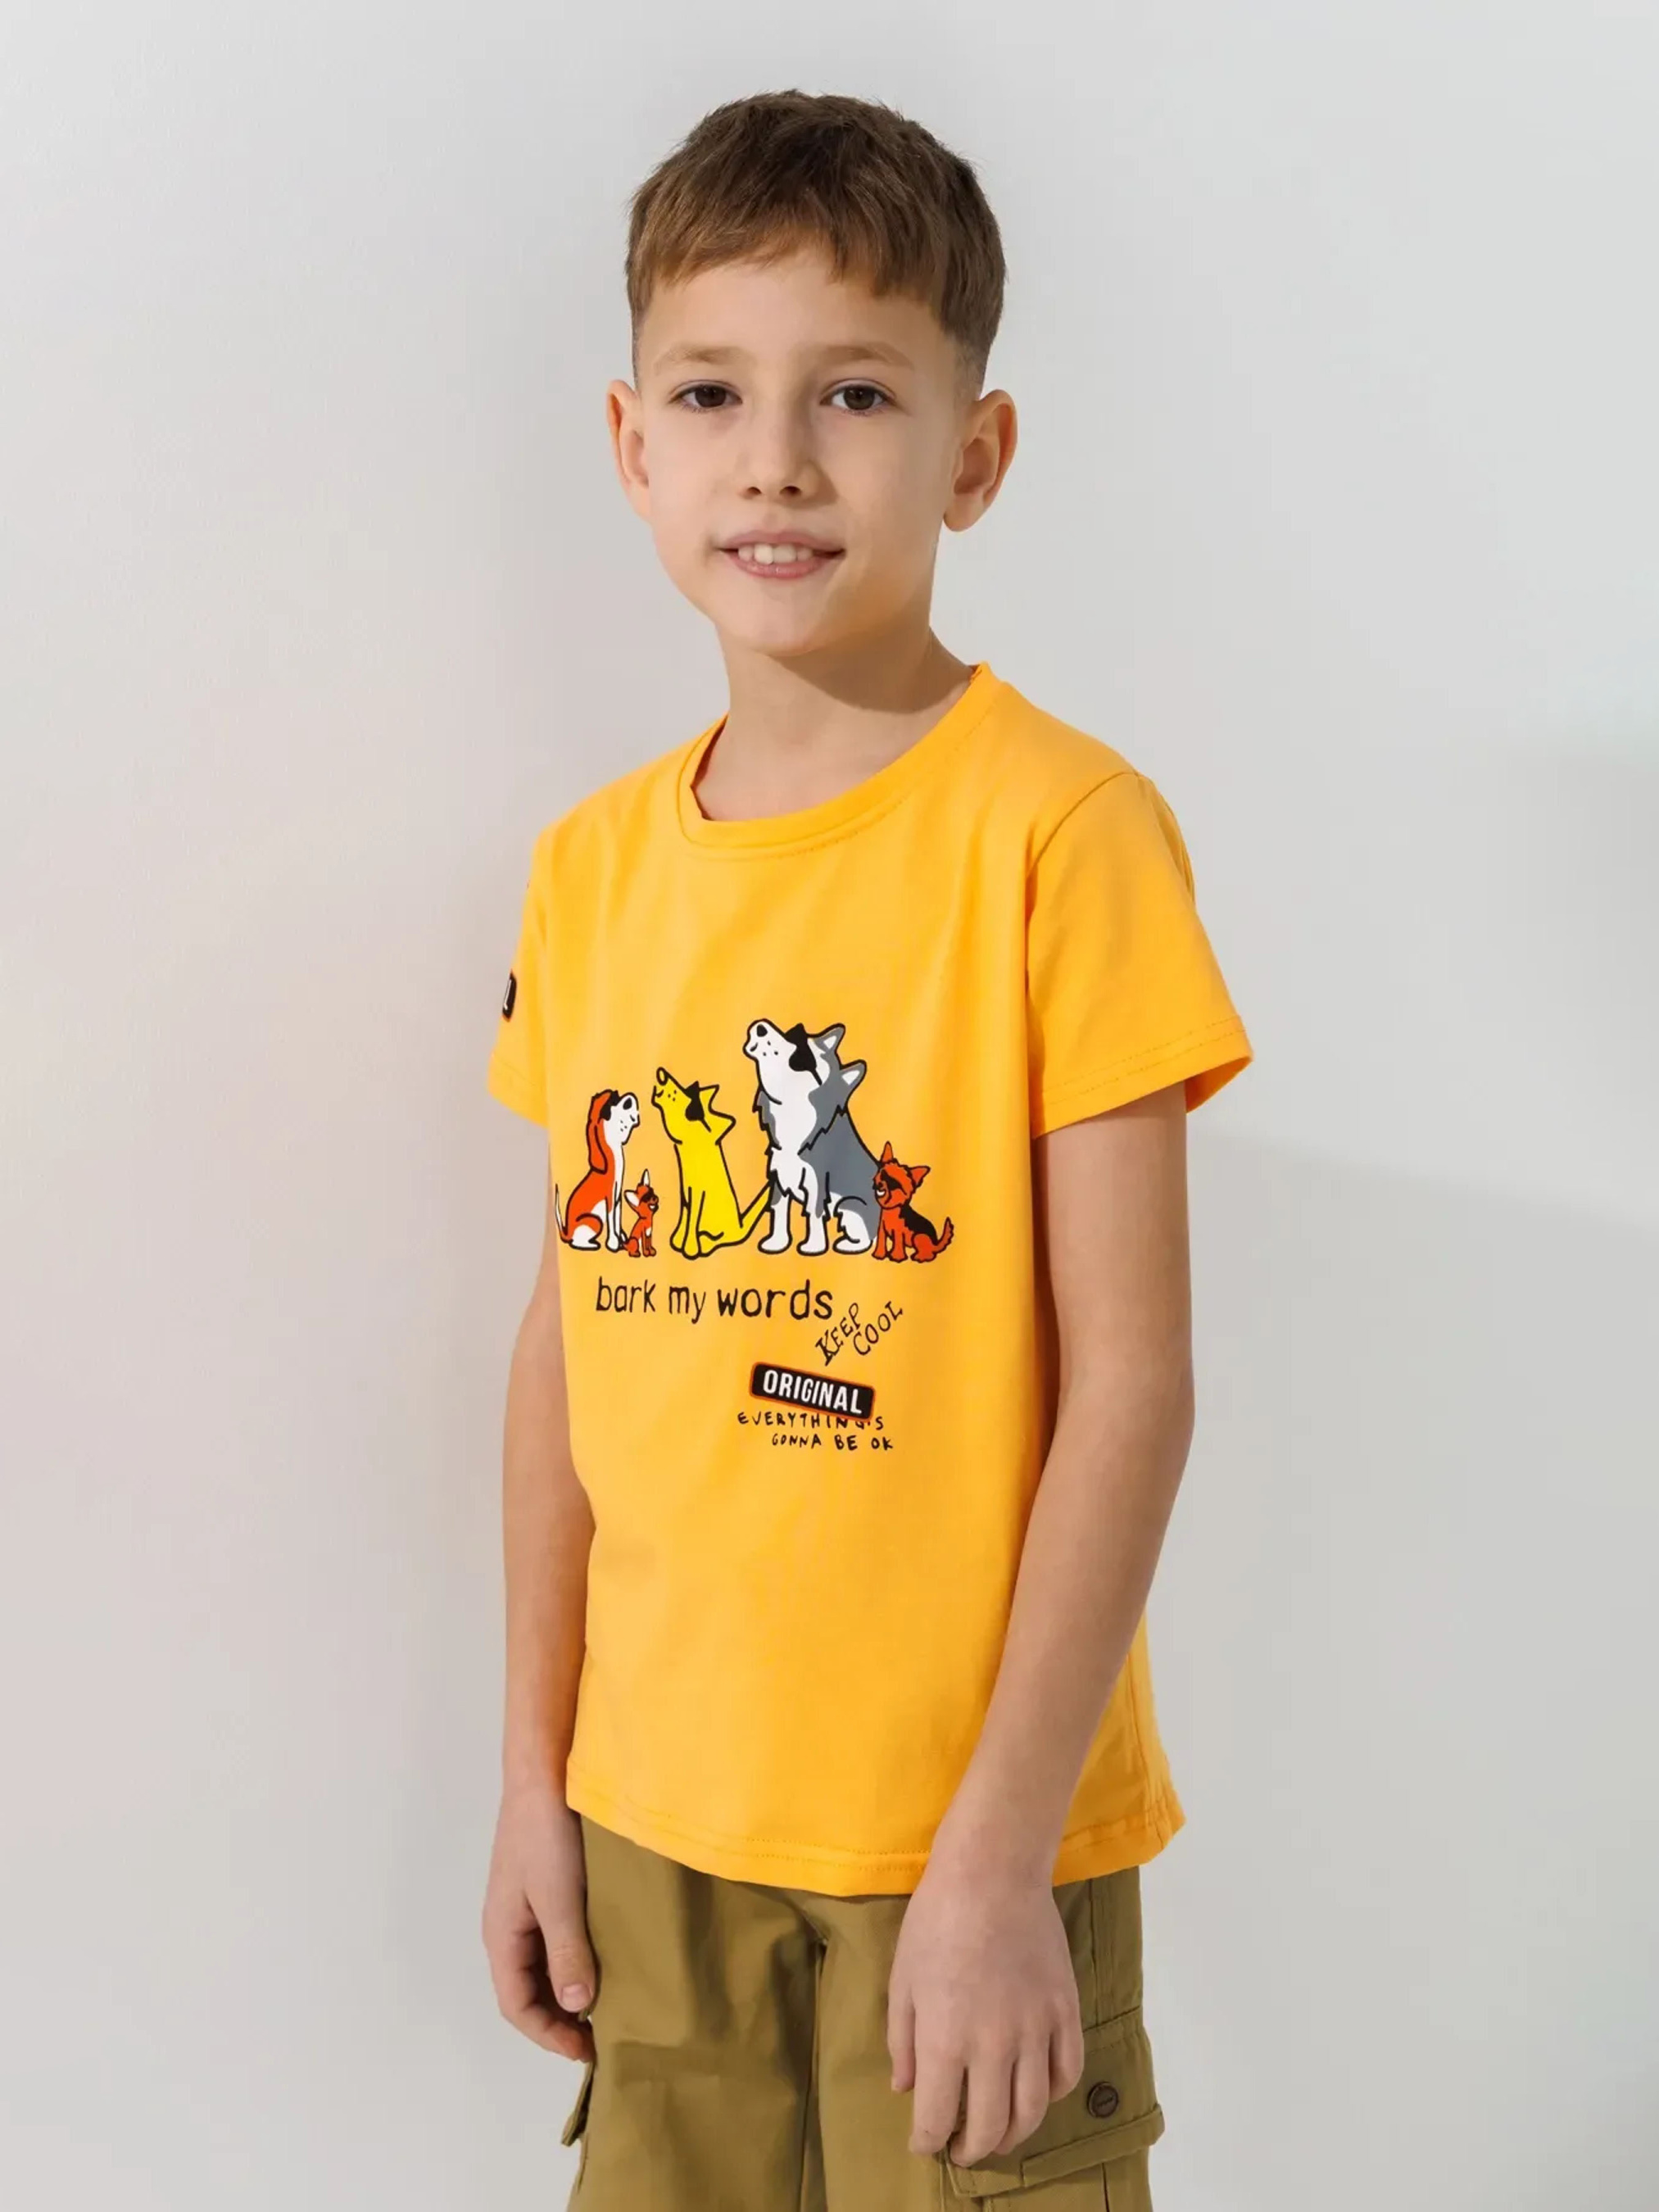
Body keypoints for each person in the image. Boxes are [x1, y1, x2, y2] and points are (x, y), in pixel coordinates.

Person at [480, 88, 1253, 2212]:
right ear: (631, 444)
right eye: (710, 393)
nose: (776, 460)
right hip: (652, 1825)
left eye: (854, 393)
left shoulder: (1063, 835)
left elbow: (1134, 1385)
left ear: (973, 455)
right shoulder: (588, 871)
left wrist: (998, 1849)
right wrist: (536, 1777)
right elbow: (567, 1351)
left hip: (970, 1838)